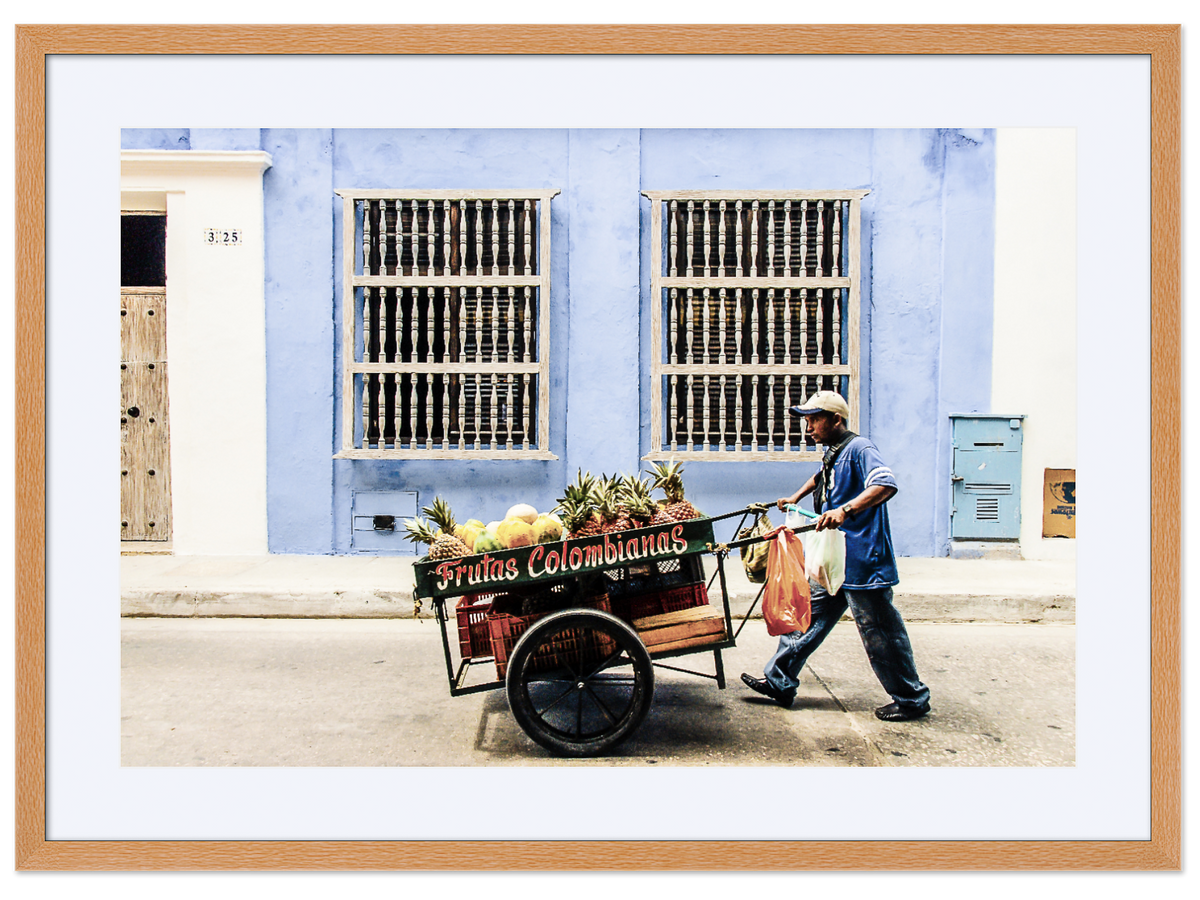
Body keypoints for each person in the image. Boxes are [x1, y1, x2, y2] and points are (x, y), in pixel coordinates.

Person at [740, 391, 932, 722]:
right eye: (807, 420)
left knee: (880, 632)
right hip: (834, 557)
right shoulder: (834, 451)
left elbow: (885, 484)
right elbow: (821, 477)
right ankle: (779, 682)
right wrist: (795, 496)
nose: (808, 427)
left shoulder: (861, 449)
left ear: (836, 420)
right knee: (806, 618)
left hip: (863, 560)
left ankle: (911, 698)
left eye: (814, 420)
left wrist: (846, 509)